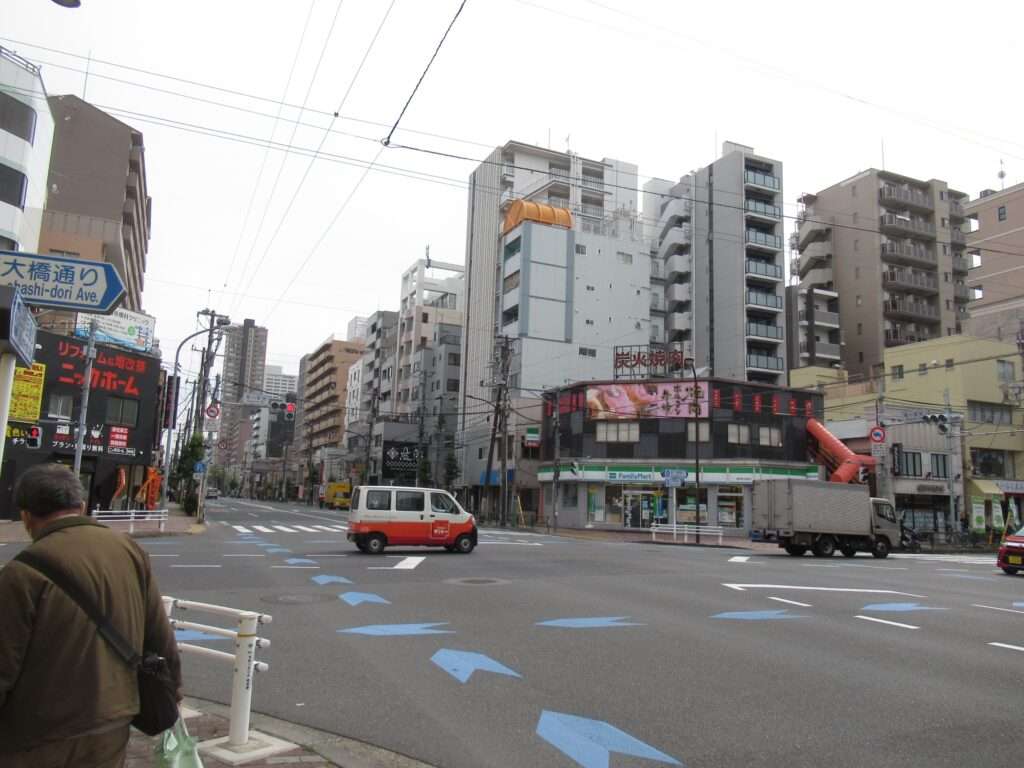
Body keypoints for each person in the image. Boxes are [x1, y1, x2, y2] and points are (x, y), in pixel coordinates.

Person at [0, 463, 182, 768]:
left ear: (26, 516)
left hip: (36, 735)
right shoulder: (130, 551)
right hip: (112, 723)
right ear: (81, 506)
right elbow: (160, 637)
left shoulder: (21, 573)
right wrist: (172, 692)